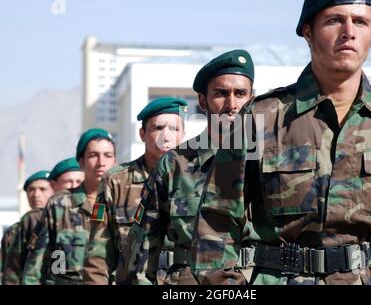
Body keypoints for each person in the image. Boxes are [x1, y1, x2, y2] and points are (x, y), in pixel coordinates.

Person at [191, 0, 371, 285]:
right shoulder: (260, 117)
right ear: (308, 32)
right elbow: (215, 221)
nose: (349, 32)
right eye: (335, 20)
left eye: (361, 21)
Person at [117, 49, 258, 285]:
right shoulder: (175, 164)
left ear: (252, 98)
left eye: (240, 93)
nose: (232, 104)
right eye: (221, 93)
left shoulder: (267, 161)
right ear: (203, 101)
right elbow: (142, 246)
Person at [83, 98, 187, 285]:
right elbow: (98, 254)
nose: (166, 136)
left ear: (183, 134)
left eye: (174, 129)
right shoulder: (115, 181)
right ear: (142, 134)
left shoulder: (198, 179)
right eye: (158, 128)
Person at [22, 128, 117, 284]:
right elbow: (35, 266)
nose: (101, 163)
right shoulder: (59, 205)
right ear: (81, 161)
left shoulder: (125, 204)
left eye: (108, 156)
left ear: (115, 161)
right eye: (93, 155)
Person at [1, 171, 54, 284]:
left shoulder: (65, 224)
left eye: (42, 189)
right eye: (31, 190)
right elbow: (8, 269)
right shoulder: (13, 232)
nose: (36, 195)